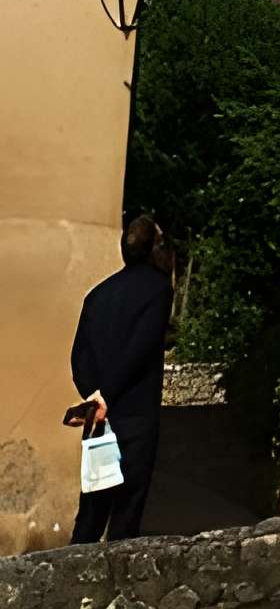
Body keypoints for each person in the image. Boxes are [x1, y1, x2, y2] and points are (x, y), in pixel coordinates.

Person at [69, 214, 173, 543]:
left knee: (91, 510)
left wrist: (95, 395)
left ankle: (72, 585)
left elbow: (78, 357)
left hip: (99, 419)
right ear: (153, 249)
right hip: (135, 417)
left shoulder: (97, 295)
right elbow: (140, 349)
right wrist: (108, 395)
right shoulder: (158, 290)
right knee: (126, 512)